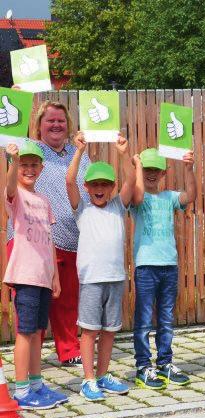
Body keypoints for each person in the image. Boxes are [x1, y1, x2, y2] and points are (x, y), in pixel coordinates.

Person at [6, 102, 89, 367]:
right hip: (31, 244)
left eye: (61, 121)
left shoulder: (80, 154)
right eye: (50, 121)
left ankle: (68, 350)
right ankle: (31, 359)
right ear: (38, 125)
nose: (55, 125)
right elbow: (7, 143)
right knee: (31, 304)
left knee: (66, 301)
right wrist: (16, 96)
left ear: (68, 125)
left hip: (70, 240)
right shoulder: (31, 149)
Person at [66, 133, 135, 401]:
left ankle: (104, 375)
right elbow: (69, 180)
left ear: (112, 187)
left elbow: (131, 180)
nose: (100, 189)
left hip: (116, 278)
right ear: (87, 186)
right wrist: (79, 151)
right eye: (95, 184)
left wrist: (123, 153)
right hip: (92, 280)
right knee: (90, 330)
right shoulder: (82, 209)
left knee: (109, 330)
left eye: (105, 184)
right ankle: (88, 379)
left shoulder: (118, 206)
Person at [5, 140, 67, 409]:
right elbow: (7, 188)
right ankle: (21, 390)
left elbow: (50, 239)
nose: (28, 169)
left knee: (38, 332)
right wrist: (12, 159)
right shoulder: (15, 194)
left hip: (43, 276)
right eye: (23, 165)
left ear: (42, 168)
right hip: (25, 274)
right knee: (25, 332)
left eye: (33, 165)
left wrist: (54, 275)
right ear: (16, 168)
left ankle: (36, 384)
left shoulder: (44, 200)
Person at [131, 148, 197, 389]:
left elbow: (190, 195)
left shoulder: (168, 197)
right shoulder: (137, 199)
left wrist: (189, 168)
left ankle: (164, 363)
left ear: (163, 173)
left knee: (167, 319)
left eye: (155, 170)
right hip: (146, 266)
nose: (151, 174)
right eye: (147, 169)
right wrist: (137, 166)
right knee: (144, 319)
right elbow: (137, 197)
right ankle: (142, 366)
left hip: (169, 265)